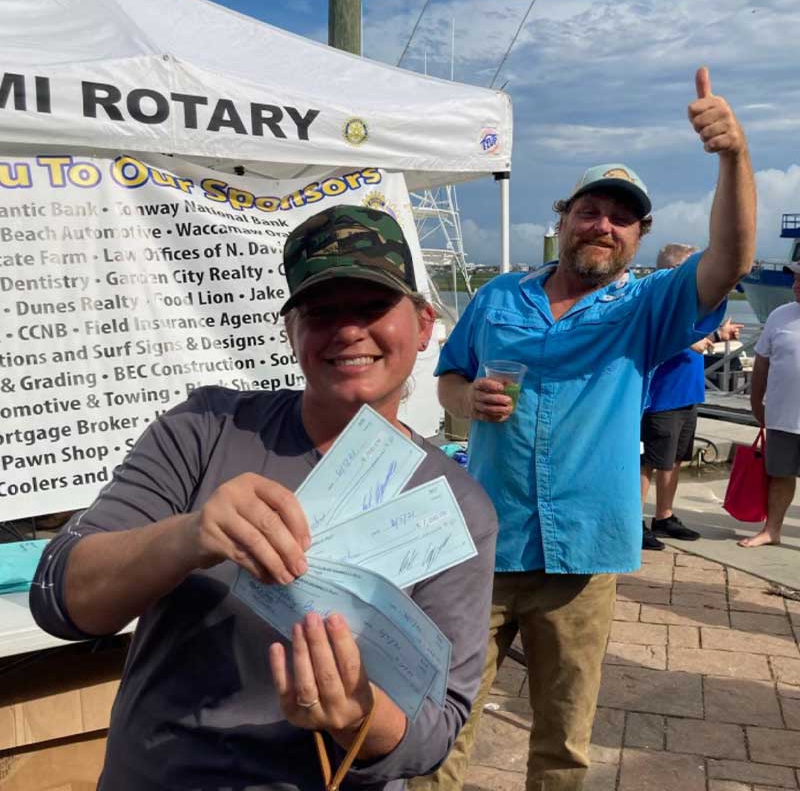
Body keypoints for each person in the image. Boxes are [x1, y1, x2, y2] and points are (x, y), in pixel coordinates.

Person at [30, 205, 498, 791]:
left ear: (425, 324)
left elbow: (436, 730)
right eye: (322, 312)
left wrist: (359, 716)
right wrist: (187, 536)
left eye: (373, 307)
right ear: (291, 331)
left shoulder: (456, 507)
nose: (349, 330)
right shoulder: (205, 428)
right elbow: (59, 598)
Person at [408, 67, 755, 791]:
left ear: (638, 236)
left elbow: (729, 262)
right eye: (590, 210)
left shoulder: (646, 308)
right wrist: (468, 399)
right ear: (564, 216)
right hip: (486, 544)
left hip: (582, 557)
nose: (603, 225)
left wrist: (733, 157)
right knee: (443, 718)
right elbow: (448, 376)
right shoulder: (500, 294)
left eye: (620, 218)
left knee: (563, 741)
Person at [641, 242, 742, 550]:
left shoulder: (691, 306)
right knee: (648, 462)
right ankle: (633, 521)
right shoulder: (660, 305)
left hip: (688, 394)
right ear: (675, 271)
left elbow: (701, 336)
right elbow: (679, 340)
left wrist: (718, 333)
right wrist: (708, 337)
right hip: (662, 398)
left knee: (673, 460)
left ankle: (664, 516)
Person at [738, 262, 800, 547]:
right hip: (782, 416)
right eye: (796, 279)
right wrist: (755, 399)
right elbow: (761, 361)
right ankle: (771, 530)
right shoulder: (779, 315)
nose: (796, 285)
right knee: (780, 475)